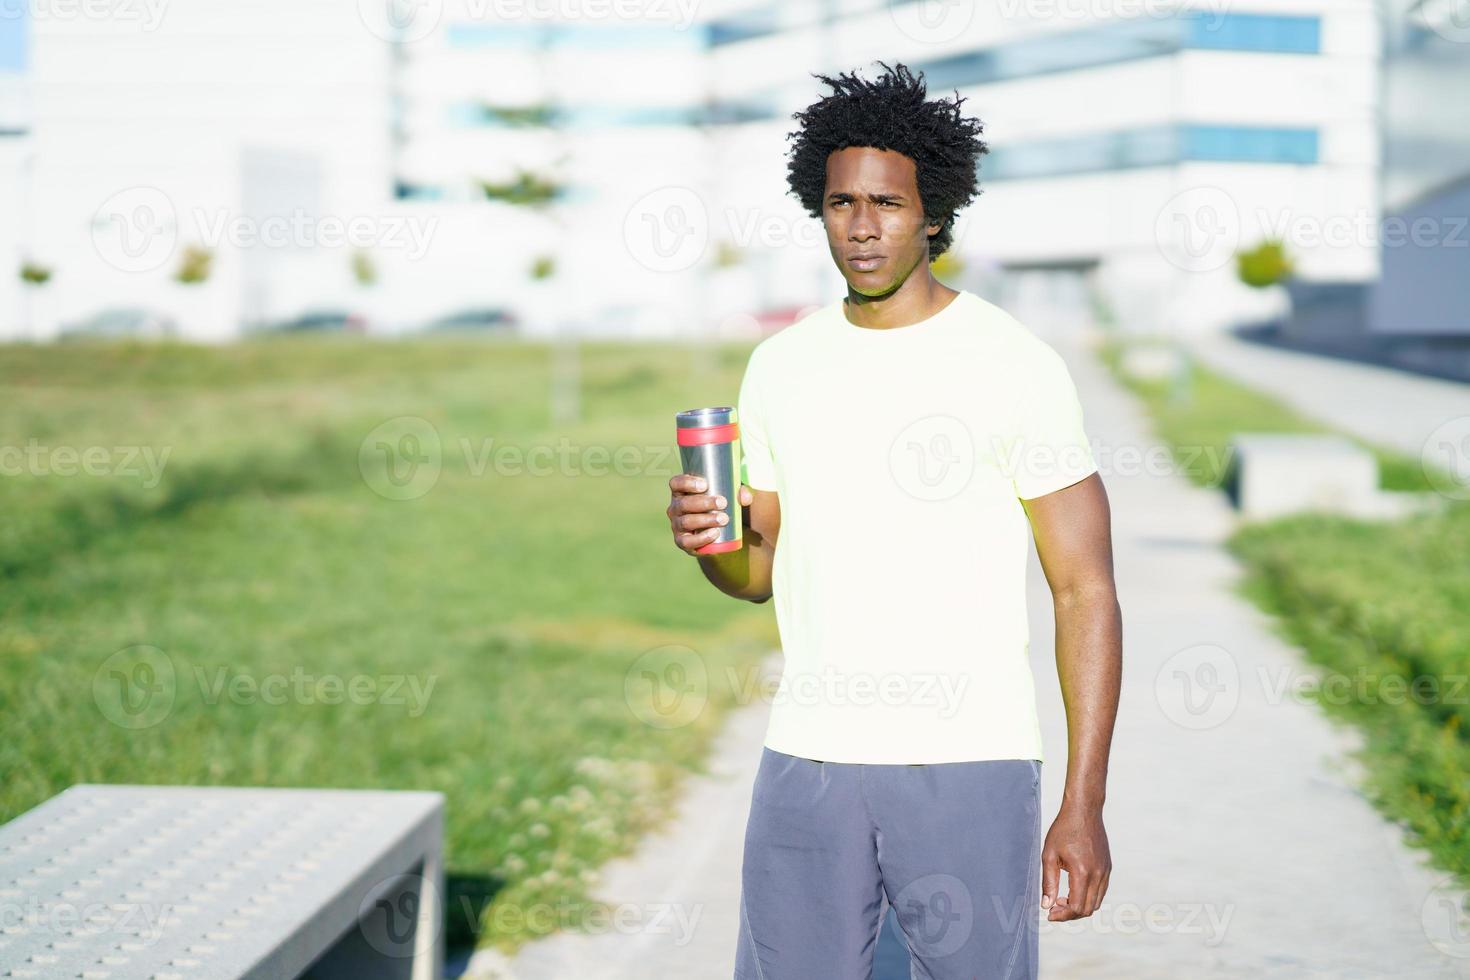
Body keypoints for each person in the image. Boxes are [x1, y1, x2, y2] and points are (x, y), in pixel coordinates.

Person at [666, 61, 1121, 980]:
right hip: (807, 758)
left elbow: (1085, 589)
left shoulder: (1012, 362)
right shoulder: (780, 367)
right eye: (841, 203)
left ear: (934, 214)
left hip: (969, 761)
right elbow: (755, 579)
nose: (863, 227)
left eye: (887, 203)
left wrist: (1082, 802)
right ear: (819, 209)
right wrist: (709, 541)